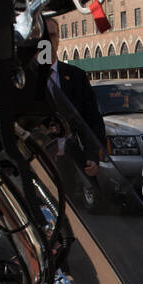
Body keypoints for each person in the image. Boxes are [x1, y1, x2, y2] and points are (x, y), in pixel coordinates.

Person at [43, 17, 106, 176]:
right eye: (43, 37)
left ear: (58, 39)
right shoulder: (25, 80)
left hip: (75, 164)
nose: (48, 41)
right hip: (42, 165)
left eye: (51, 35)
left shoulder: (76, 77)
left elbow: (93, 120)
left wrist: (93, 156)